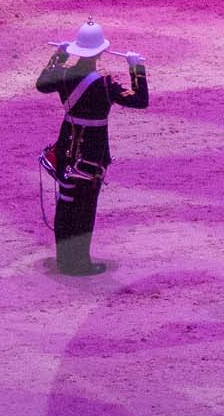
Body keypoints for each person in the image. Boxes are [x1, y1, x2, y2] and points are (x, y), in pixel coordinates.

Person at [36, 21, 147, 275]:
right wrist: (136, 68)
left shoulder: (64, 74)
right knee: (84, 208)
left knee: (65, 202)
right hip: (92, 152)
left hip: (66, 145)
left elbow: (41, 84)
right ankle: (80, 263)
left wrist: (59, 55)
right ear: (99, 52)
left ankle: (64, 260)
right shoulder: (104, 83)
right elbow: (140, 100)